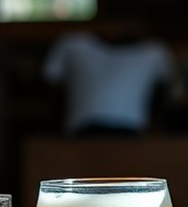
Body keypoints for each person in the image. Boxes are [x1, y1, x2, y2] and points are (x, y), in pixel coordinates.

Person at [43, 26, 172, 136]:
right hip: (83, 130)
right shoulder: (71, 43)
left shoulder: (155, 51)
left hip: (131, 132)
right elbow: (51, 84)